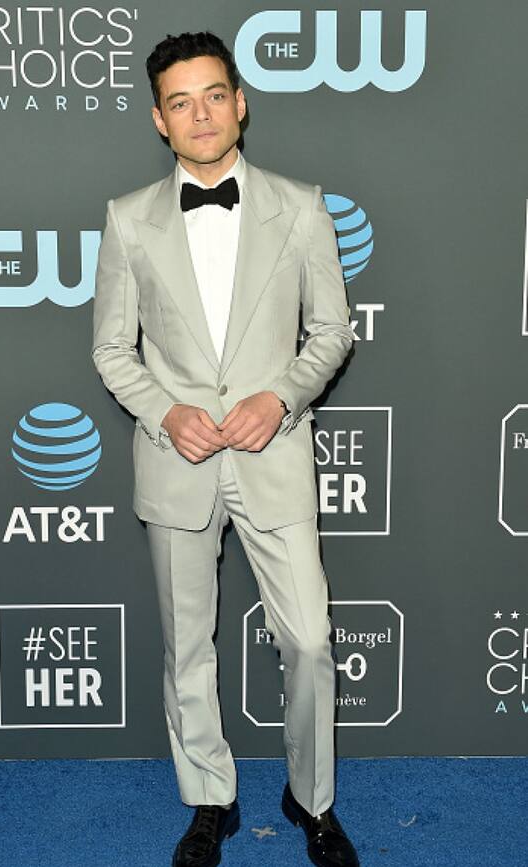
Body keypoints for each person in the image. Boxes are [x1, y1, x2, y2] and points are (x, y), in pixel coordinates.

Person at [92, 29, 359, 867]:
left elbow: (332, 332)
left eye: (214, 95)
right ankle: (209, 797)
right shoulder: (127, 219)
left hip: (273, 454)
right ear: (159, 121)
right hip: (178, 462)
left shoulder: (301, 206)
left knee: (309, 640)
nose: (200, 114)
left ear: (241, 104)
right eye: (180, 102)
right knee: (188, 649)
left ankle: (312, 800)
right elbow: (111, 349)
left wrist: (281, 397)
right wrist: (165, 412)